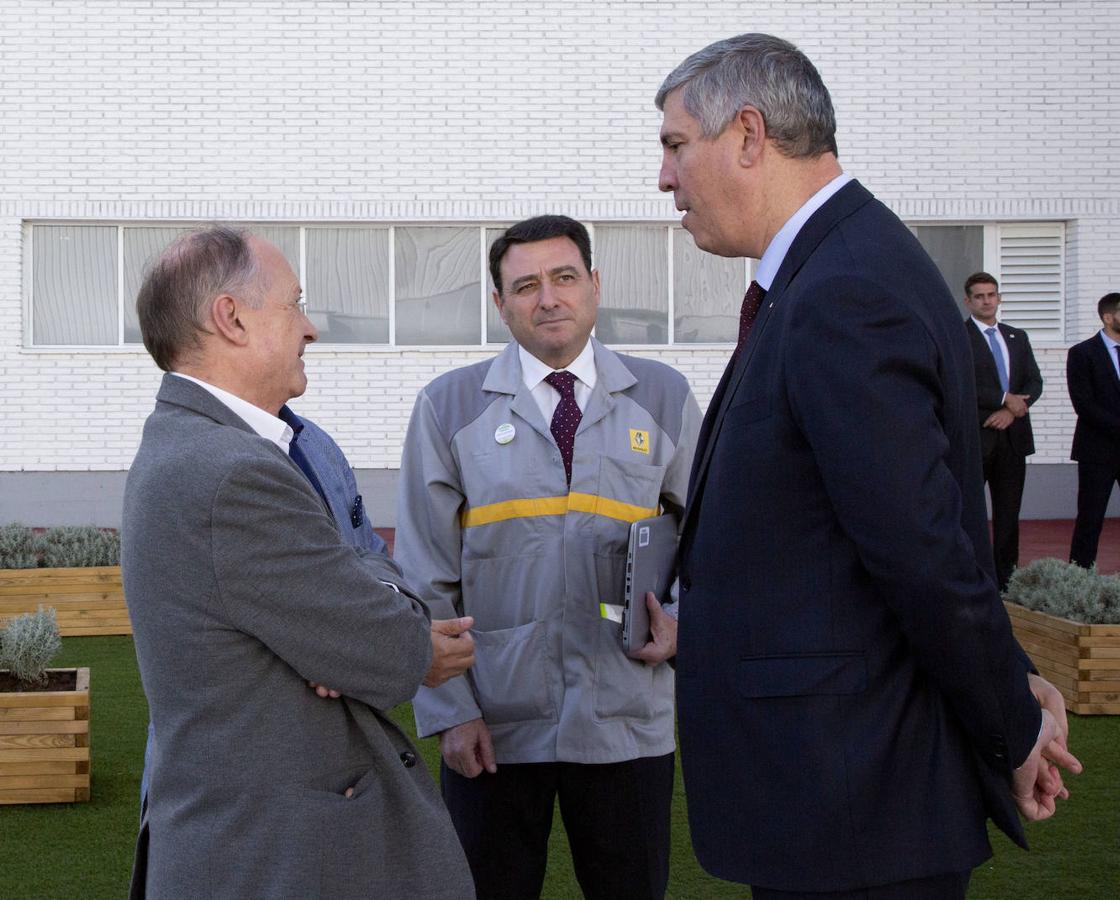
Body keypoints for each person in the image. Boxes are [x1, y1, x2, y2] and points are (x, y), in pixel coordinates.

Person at [655, 34, 1081, 897]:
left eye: (672, 146)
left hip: (851, 802)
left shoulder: (843, 289)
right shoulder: (831, 270)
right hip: (835, 795)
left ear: (747, 135)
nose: (663, 178)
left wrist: (1011, 722)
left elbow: (920, 550)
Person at [122, 226, 476, 899]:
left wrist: (339, 633)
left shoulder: (205, 447)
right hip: (278, 858)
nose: (310, 328)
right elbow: (392, 645)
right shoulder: (233, 471)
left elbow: (362, 603)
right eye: (293, 305)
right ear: (231, 318)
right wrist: (367, 634)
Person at [394, 214, 702, 900]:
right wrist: (450, 712)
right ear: (499, 304)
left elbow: (712, 544)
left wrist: (686, 622)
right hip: (494, 726)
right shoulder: (448, 408)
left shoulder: (663, 397)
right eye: (525, 285)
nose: (548, 298)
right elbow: (421, 577)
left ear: (593, 286)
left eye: (564, 278)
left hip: (626, 719)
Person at [137, 407, 386, 801]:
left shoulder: (314, 442)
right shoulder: (214, 467)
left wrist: (359, 633)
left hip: (340, 776)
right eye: (295, 336)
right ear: (236, 338)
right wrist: (353, 645)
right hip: (240, 795)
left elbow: (370, 553)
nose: (312, 339)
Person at [1067, 291, 1120, 588]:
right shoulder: (1083, 353)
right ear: (1108, 317)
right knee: (1090, 519)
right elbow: (1084, 404)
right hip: (1099, 451)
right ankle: (1078, 582)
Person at [963, 272, 1043, 591]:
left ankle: (1006, 579)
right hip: (977, 438)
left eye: (992, 295)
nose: (987, 301)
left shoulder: (1017, 337)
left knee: (1009, 514)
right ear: (968, 300)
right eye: (980, 296)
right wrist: (1002, 399)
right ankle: (972, 576)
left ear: (999, 298)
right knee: (969, 514)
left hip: (1013, 438)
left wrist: (1010, 410)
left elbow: (1034, 382)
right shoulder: (959, 336)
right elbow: (962, 383)